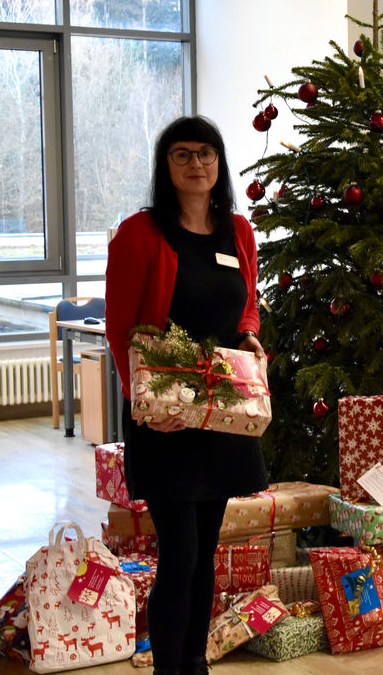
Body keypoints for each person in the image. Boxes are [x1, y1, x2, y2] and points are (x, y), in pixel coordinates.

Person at [105, 116, 268, 675]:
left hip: (222, 413)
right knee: (181, 555)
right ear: (166, 166)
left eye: (205, 153)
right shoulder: (141, 233)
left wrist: (249, 335)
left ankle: (195, 663)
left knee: (206, 554)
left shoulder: (237, 232)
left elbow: (247, 303)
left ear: (219, 163)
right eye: (182, 154)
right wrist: (146, 406)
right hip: (169, 419)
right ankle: (169, 668)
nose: (196, 163)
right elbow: (121, 327)